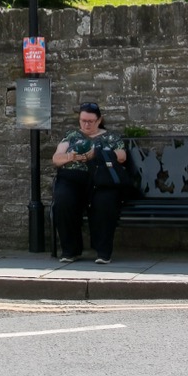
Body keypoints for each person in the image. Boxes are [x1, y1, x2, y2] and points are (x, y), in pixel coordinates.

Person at [51, 102, 128, 265]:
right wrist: (71, 157)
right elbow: (56, 158)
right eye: (83, 120)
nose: (86, 124)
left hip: (101, 179)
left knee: (105, 202)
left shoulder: (110, 137)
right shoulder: (71, 136)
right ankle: (70, 251)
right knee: (63, 199)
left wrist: (97, 154)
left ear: (99, 120)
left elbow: (122, 156)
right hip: (72, 177)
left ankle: (103, 252)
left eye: (90, 121)